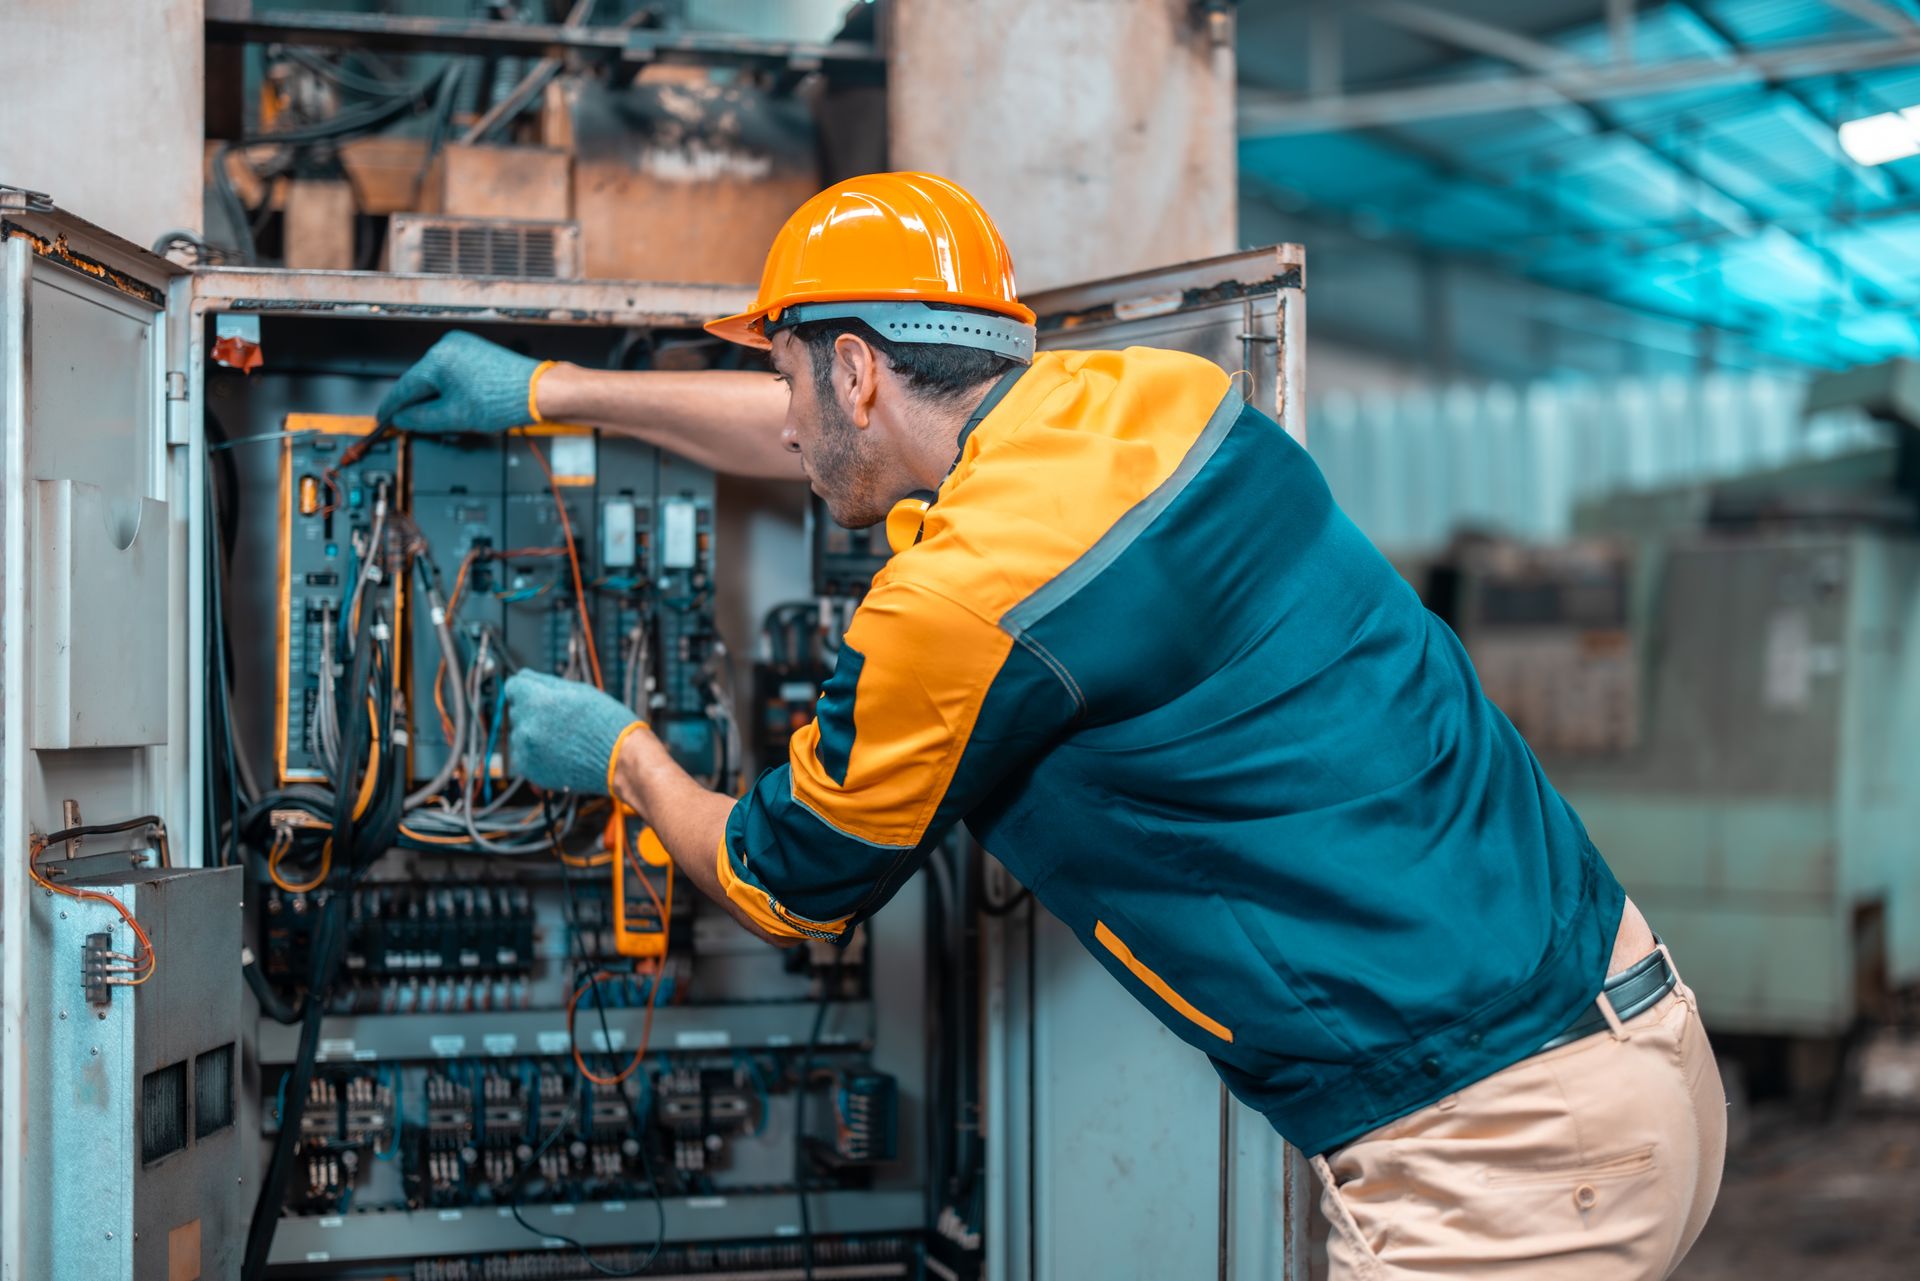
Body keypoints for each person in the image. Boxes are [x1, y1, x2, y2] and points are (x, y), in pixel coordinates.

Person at [378, 172, 1725, 1278]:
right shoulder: (1156, 402)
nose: (785, 416)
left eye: (792, 374)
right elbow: (829, 438)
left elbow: (786, 881)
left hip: (1500, 1154)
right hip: (1629, 1028)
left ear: (852, 369)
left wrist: (620, 753)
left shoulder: (955, 607)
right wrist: (552, 394)